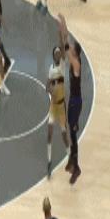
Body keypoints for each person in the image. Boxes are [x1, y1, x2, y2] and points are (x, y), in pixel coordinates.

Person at [46, 14, 71, 178]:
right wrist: (49, 90)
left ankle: (70, 157)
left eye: (58, 53)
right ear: (52, 56)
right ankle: (48, 162)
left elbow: (62, 47)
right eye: (55, 53)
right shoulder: (50, 69)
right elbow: (47, 85)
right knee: (49, 133)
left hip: (61, 106)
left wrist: (60, 32)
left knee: (63, 134)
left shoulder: (62, 65)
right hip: (53, 106)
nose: (57, 54)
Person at [63, 22, 83, 185]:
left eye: (72, 49)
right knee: (70, 130)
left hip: (76, 102)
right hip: (73, 100)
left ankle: (76, 167)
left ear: (76, 52)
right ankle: (71, 159)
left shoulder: (76, 64)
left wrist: (64, 30)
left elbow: (66, 46)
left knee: (73, 134)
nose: (71, 49)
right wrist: (63, 26)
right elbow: (67, 43)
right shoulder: (73, 59)